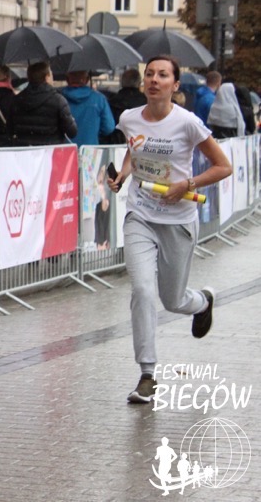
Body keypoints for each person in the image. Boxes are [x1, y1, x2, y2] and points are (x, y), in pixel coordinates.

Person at [109, 55, 231, 405]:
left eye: (162, 75)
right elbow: (133, 150)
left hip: (178, 220)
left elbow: (223, 166)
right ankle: (147, 374)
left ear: (174, 85)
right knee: (142, 290)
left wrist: (187, 184)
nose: (154, 79)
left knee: (172, 299)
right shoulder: (129, 118)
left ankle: (202, 302)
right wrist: (123, 174)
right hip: (140, 215)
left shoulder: (187, 123)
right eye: (149, 74)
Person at [8, 61, 77, 146]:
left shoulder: (16, 100)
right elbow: (72, 132)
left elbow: (10, 129)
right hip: (50, 150)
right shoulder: (58, 100)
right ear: (47, 77)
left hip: (25, 150)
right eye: (51, 74)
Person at [62, 70, 115, 146]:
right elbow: (109, 128)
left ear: (67, 79)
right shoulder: (99, 99)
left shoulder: (59, 98)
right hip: (91, 149)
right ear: (87, 80)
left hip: (65, 149)